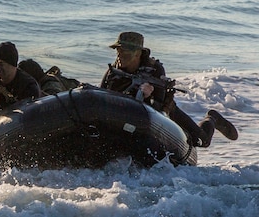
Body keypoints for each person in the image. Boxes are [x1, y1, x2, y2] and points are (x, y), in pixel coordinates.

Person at [99, 32, 237, 148]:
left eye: (125, 52)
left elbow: (161, 108)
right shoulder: (113, 72)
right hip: (127, 115)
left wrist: (149, 95)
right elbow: (99, 97)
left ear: (138, 54)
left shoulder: (155, 70)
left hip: (166, 110)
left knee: (202, 141)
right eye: (118, 51)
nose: (120, 55)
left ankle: (212, 118)